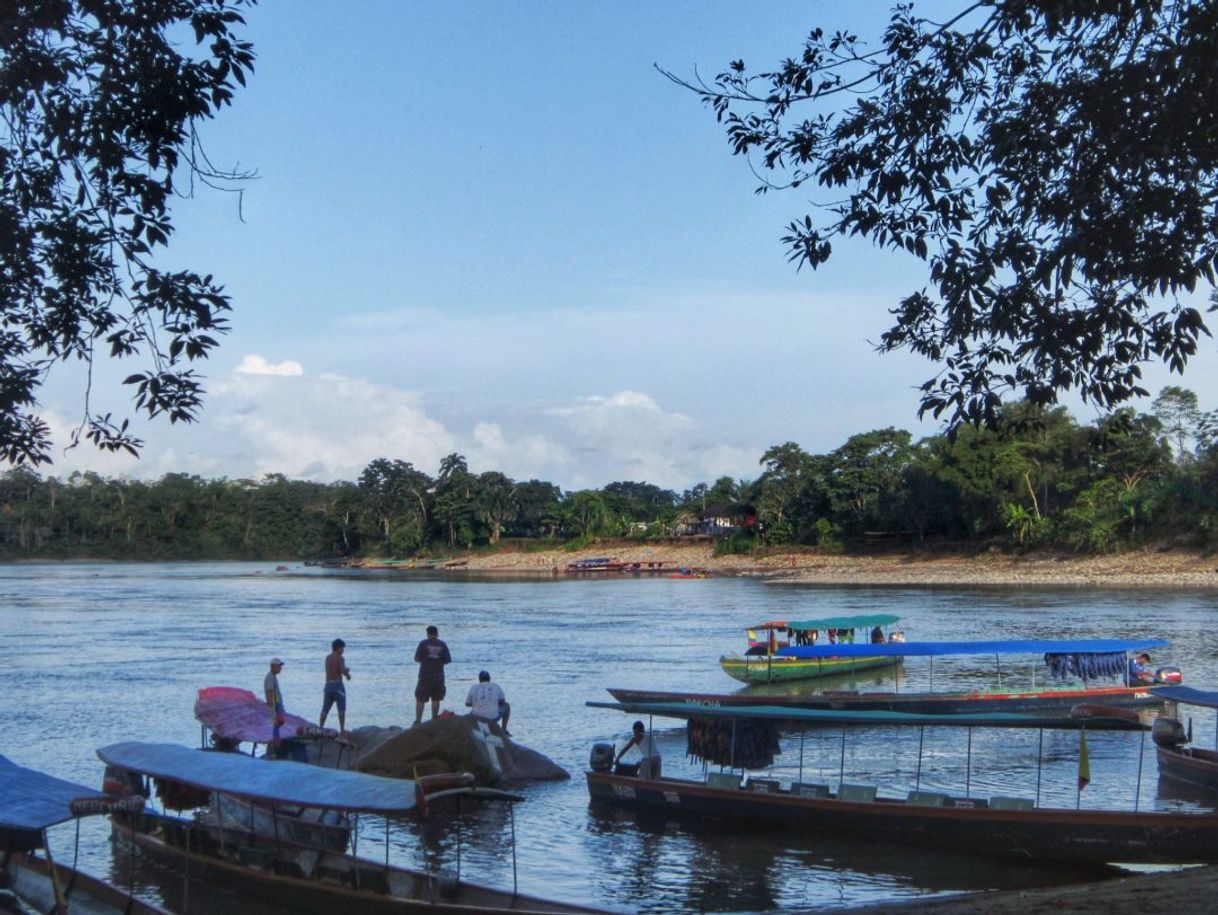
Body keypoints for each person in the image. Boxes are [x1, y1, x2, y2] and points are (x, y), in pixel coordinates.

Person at [413, 625, 451, 726]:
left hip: (425, 674)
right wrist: (438, 661)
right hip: (438, 674)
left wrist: (427, 660)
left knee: (420, 698)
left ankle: (418, 720)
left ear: (428, 634)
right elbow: (447, 660)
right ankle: (434, 718)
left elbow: (416, 659)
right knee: (436, 698)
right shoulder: (442, 644)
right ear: (437, 633)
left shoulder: (423, 643)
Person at [465, 670, 511, 735]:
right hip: (492, 717)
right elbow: (503, 701)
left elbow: (467, 704)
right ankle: (503, 729)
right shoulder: (495, 686)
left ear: (479, 679)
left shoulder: (474, 687)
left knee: (472, 712)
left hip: (477, 718)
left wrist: (477, 703)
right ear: (489, 678)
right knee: (507, 706)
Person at [319, 638, 351, 731]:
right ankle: (342, 729)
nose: (343, 651)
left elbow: (331, 670)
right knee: (341, 708)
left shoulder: (327, 658)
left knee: (325, 708)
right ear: (338, 648)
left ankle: (320, 728)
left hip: (328, 685)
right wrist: (347, 673)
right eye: (342, 648)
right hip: (338, 685)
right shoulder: (340, 658)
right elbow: (341, 669)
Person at [264, 657, 286, 746]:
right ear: (273, 666)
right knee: (276, 724)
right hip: (275, 705)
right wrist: (272, 708)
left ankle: (276, 742)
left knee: (279, 723)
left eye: (280, 666)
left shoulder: (273, 676)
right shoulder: (270, 677)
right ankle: (275, 745)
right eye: (278, 666)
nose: (280, 668)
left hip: (277, 704)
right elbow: (269, 693)